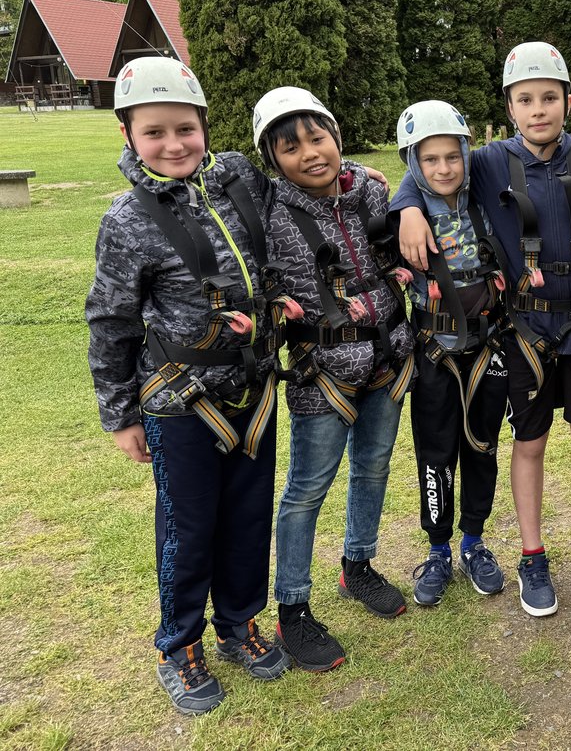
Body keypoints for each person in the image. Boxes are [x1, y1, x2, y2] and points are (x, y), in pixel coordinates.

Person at [86, 57, 289, 715]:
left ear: (204, 125)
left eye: (185, 128)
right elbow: (111, 322)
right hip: (180, 400)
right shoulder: (127, 220)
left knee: (248, 517)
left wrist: (366, 182)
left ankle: (238, 623)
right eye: (154, 132)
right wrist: (120, 415)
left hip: (254, 388)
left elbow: (298, 193)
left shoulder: (237, 182)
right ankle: (179, 645)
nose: (173, 144)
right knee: (188, 526)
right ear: (127, 135)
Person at [396, 42, 571, 617]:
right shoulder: (490, 161)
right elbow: (429, 170)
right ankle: (531, 556)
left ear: (568, 101)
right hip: (524, 327)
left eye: (549, 98)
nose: (538, 109)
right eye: (525, 100)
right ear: (509, 107)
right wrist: (408, 207)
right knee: (530, 442)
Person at [256, 87, 415, 672]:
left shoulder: (370, 189)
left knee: (373, 467)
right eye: (290, 147)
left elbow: (418, 194)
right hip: (321, 371)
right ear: (272, 159)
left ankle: (358, 566)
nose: (310, 153)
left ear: (336, 136)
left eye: (317, 137)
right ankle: (293, 607)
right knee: (307, 488)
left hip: (387, 357)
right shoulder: (267, 208)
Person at [392, 99, 509, 608]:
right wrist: (407, 206)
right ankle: (438, 548)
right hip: (434, 352)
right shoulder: (402, 214)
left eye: (453, 156)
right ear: (413, 163)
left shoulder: (483, 191)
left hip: (488, 346)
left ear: (467, 153)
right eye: (429, 159)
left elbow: (530, 152)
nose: (444, 168)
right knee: (435, 451)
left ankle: (473, 542)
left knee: (482, 446)